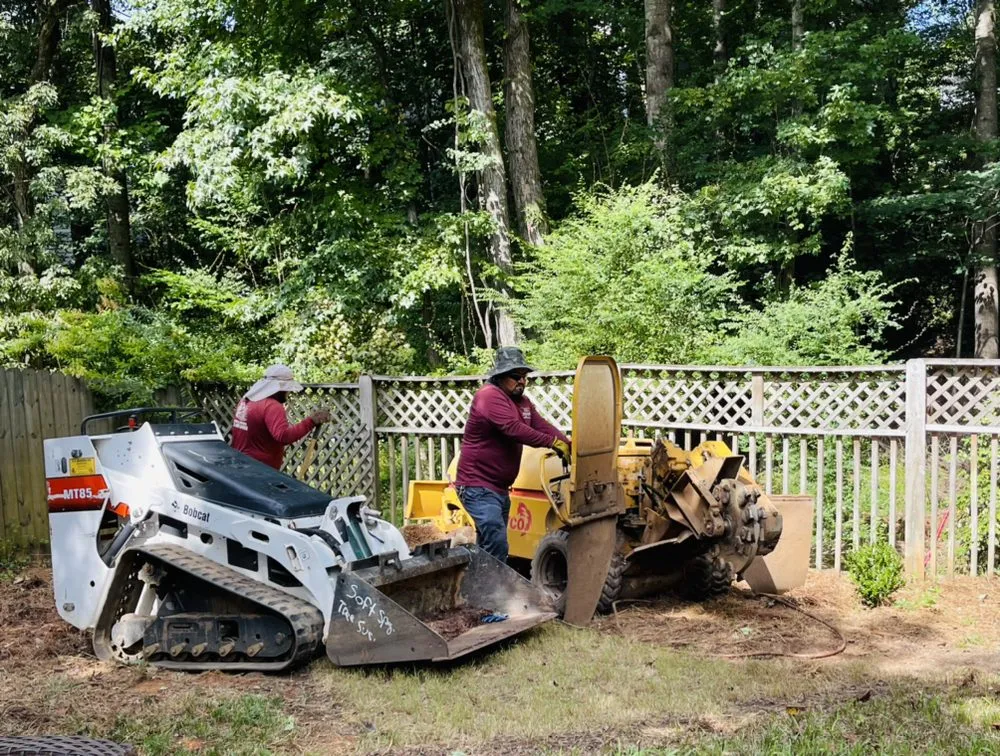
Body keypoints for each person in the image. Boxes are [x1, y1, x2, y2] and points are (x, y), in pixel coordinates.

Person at [454, 347, 571, 562]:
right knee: (497, 542)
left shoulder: (522, 402)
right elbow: (513, 428)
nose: (522, 381)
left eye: (525, 377)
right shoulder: (488, 396)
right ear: (500, 376)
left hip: (498, 488)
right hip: (477, 485)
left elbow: (541, 425)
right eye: (516, 377)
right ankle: (492, 583)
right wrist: (552, 443)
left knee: (489, 546)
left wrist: (567, 444)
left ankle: (475, 579)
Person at [231, 364, 330, 470]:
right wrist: (311, 421)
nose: (288, 392)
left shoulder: (246, 401)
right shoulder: (272, 405)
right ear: (280, 388)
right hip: (259, 470)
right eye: (287, 388)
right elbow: (283, 436)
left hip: (238, 464)